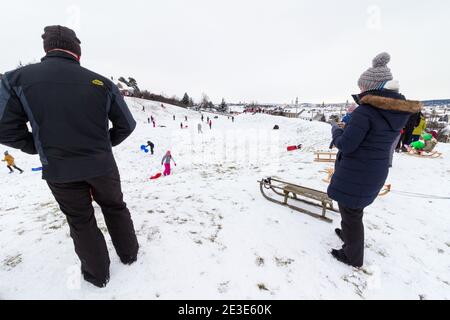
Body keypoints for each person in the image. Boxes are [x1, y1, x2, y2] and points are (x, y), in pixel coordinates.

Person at [0, 26, 139, 288]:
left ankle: (98, 275)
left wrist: (40, 147)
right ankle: (129, 255)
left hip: (60, 167)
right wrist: (103, 145)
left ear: (47, 48)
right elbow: (127, 125)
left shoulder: (16, 79)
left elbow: (4, 127)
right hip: (101, 165)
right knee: (114, 206)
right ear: (77, 51)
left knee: (80, 219)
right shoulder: (101, 82)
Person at [328, 52, 422, 268]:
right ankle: (350, 236)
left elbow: (347, 144)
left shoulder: (366, 112)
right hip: (374, 169)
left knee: (351, 211)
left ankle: (352, 256)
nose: (360, 91)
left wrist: (336, 132)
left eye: (362, 87)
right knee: (354, 209)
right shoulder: (395, 112)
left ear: (373, 87)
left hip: (357, 171)